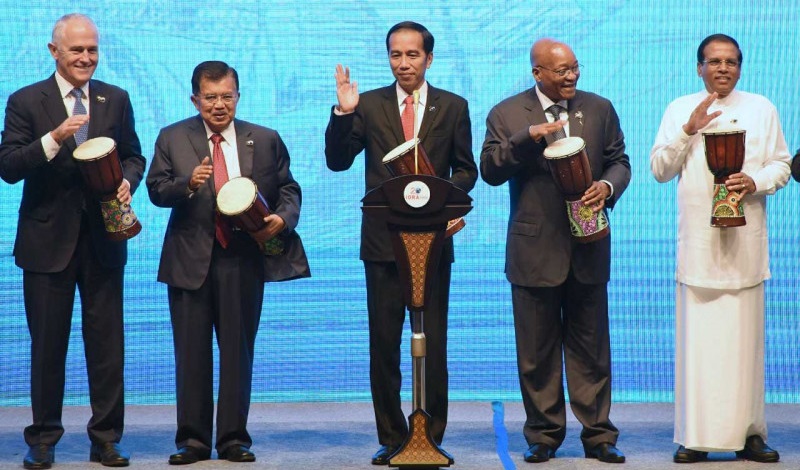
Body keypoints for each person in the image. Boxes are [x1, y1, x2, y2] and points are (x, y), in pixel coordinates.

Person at [324, 21, 477, 465]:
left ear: (429, 58)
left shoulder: (453, 106)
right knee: (385, 342)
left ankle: (431, 433)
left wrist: (448, 208)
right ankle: (392, 436)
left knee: (434, 340)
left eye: (412, 55)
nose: (403, 63)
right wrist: (343, 112)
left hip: (433, 243)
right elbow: (337, 162)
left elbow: (467, 170)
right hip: (383, 244)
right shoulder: (367, 105)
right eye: (396, 55)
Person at [146, 61, 310, 465]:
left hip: (243, 259)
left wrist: (282, 220)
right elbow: (155, 189)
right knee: (191, 354)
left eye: (227, 96)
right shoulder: (172, 137)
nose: (219, 105)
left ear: (237, 96)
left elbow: (289, 189)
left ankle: (234, 438)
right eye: (210, 98)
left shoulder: (265, 138)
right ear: (195, 99)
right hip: (189, 260)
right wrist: (188, 184)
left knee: (238, 351)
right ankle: (193, 441)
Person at [0, 13, 144, 469]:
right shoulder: (26, 100)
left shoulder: (115, 99)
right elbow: (8, 166)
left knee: (107, 346)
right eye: (77, 49)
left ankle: (106, 439)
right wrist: (53, 139)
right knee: (48, 346)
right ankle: (43, 439)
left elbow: (134, 155)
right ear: (54, 51)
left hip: (104, 241)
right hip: (47, 244)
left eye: (93, 50)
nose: (86, 58)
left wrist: (128, 182)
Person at [480, 38, 630, 464]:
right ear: (537, 73)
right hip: (534, 249)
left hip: (589, 247)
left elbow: (620, 161)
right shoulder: (507, 113)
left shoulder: (599, 108)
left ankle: (599, 435)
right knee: (536, 351)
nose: (571, 76)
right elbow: (489, 169)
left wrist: (608, 185)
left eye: (574, 68)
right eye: (561, 70)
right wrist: (527, 139)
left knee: (592, 349)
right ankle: (543, 435)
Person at [650, 34, 789, 464]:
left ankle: (750, 434)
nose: (722, 68)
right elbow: (659, 169)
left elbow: (782, 164)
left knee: (746, 350)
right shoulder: (679, 109)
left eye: (730, 62)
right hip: (699, 249)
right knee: (700, 350)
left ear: (740, 68)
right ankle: (695, 437)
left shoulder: (762, 108)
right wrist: (689, 129)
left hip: (745, 248)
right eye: (714, 62)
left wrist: (756, 182)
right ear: (700, 68)